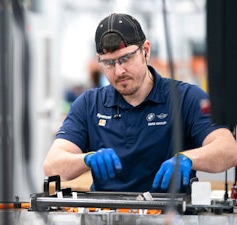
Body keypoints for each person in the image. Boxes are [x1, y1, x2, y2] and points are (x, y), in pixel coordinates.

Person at [43, 13, 237, 192]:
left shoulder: (186, 98)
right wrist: (86, 159)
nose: (119, 71)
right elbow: (52, 164)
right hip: (106, 216)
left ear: (146, 50)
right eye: (109, 63)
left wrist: (188, 159)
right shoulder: (89, 104)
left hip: (168, 217)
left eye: (126, 58)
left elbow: (229, 149)